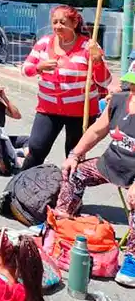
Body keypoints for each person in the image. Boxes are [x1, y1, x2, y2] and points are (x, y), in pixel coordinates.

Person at [57, 76, 135, 286]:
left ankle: (133, 258)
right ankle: (62, 224)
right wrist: (75, 155)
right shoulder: (119, 100)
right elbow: (96, 130)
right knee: (74, 173)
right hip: (110, 163)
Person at [21, 5, 111, 170]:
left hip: (80, 113)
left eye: (62, 22)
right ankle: (15, 191)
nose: (57, 26)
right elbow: (25, 70)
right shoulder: (43, 43)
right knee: (36, 149)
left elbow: (105, 82)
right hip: (48, 110)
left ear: (75, 22)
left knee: (74, 158)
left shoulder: (89, 47)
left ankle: (71, 195)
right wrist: (39, 67)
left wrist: (97, 61)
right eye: (54, 22)